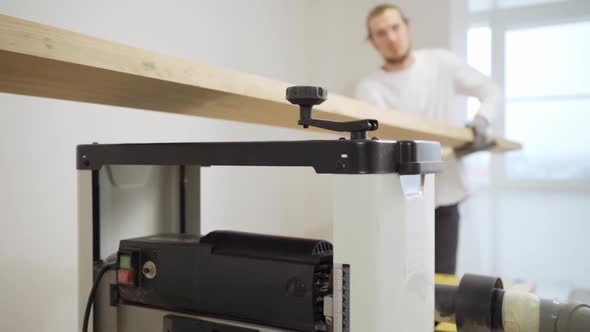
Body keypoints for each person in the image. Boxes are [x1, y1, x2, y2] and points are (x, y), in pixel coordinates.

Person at [355, 4, 502, 274]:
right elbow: (378, 143)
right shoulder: (369, 87)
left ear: (407, 27)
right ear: (373, 41)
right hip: (397, 200)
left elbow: (490, 89)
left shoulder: (440, 63)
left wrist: (480, 123)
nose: (391, 37)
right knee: (401, 281)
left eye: (395, 28)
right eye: (380, 33)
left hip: (445, 194)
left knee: (442, 285)